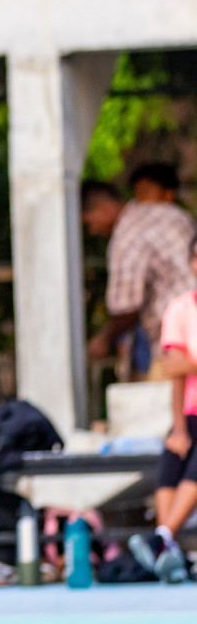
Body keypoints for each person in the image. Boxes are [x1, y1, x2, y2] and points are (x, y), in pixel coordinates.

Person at [82, 167, 197, 380]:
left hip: (179, 345)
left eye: (89, 223)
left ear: (103, 207)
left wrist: (104, 339)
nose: (93, 231)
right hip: (188, 337)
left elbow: (127, 307)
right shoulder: (173, 214)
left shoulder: (126, 235)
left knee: (169, 405)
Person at [132, 235, 197, 583]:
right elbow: (173, 371)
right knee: (173, 459)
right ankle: (165, 544)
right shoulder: (180, 309)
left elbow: (181, 364)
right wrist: (179, 428)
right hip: (191, 410)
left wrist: (189, 363)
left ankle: (160, 541)